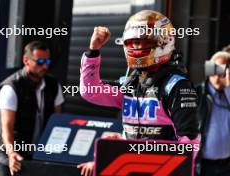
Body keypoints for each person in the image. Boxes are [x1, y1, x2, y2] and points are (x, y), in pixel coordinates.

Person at [78, 10, 200, 176]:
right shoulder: (129, 83)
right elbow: (90, 92)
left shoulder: (177, 86)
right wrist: (93, 51)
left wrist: (169, 169)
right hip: (131, 167)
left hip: (163, 169)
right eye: (132, 42)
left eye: (143, 41)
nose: (136, 47)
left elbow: (190, 141)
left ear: (163, 42)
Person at [0, 40, 65, 176]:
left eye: (47, 62)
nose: (44, 67)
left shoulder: (53, 85)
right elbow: (7, 126)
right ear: (26, 60)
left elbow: (58, 122)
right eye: (40, 62)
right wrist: (11, 152)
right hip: (9, 148)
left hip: (37, 149)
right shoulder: (11, 87)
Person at [196, 51, 230, 176]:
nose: (216, 74)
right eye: (213, 68)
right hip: (204, 165)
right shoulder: (197, 94)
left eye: (221, 69)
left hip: (227, 165)